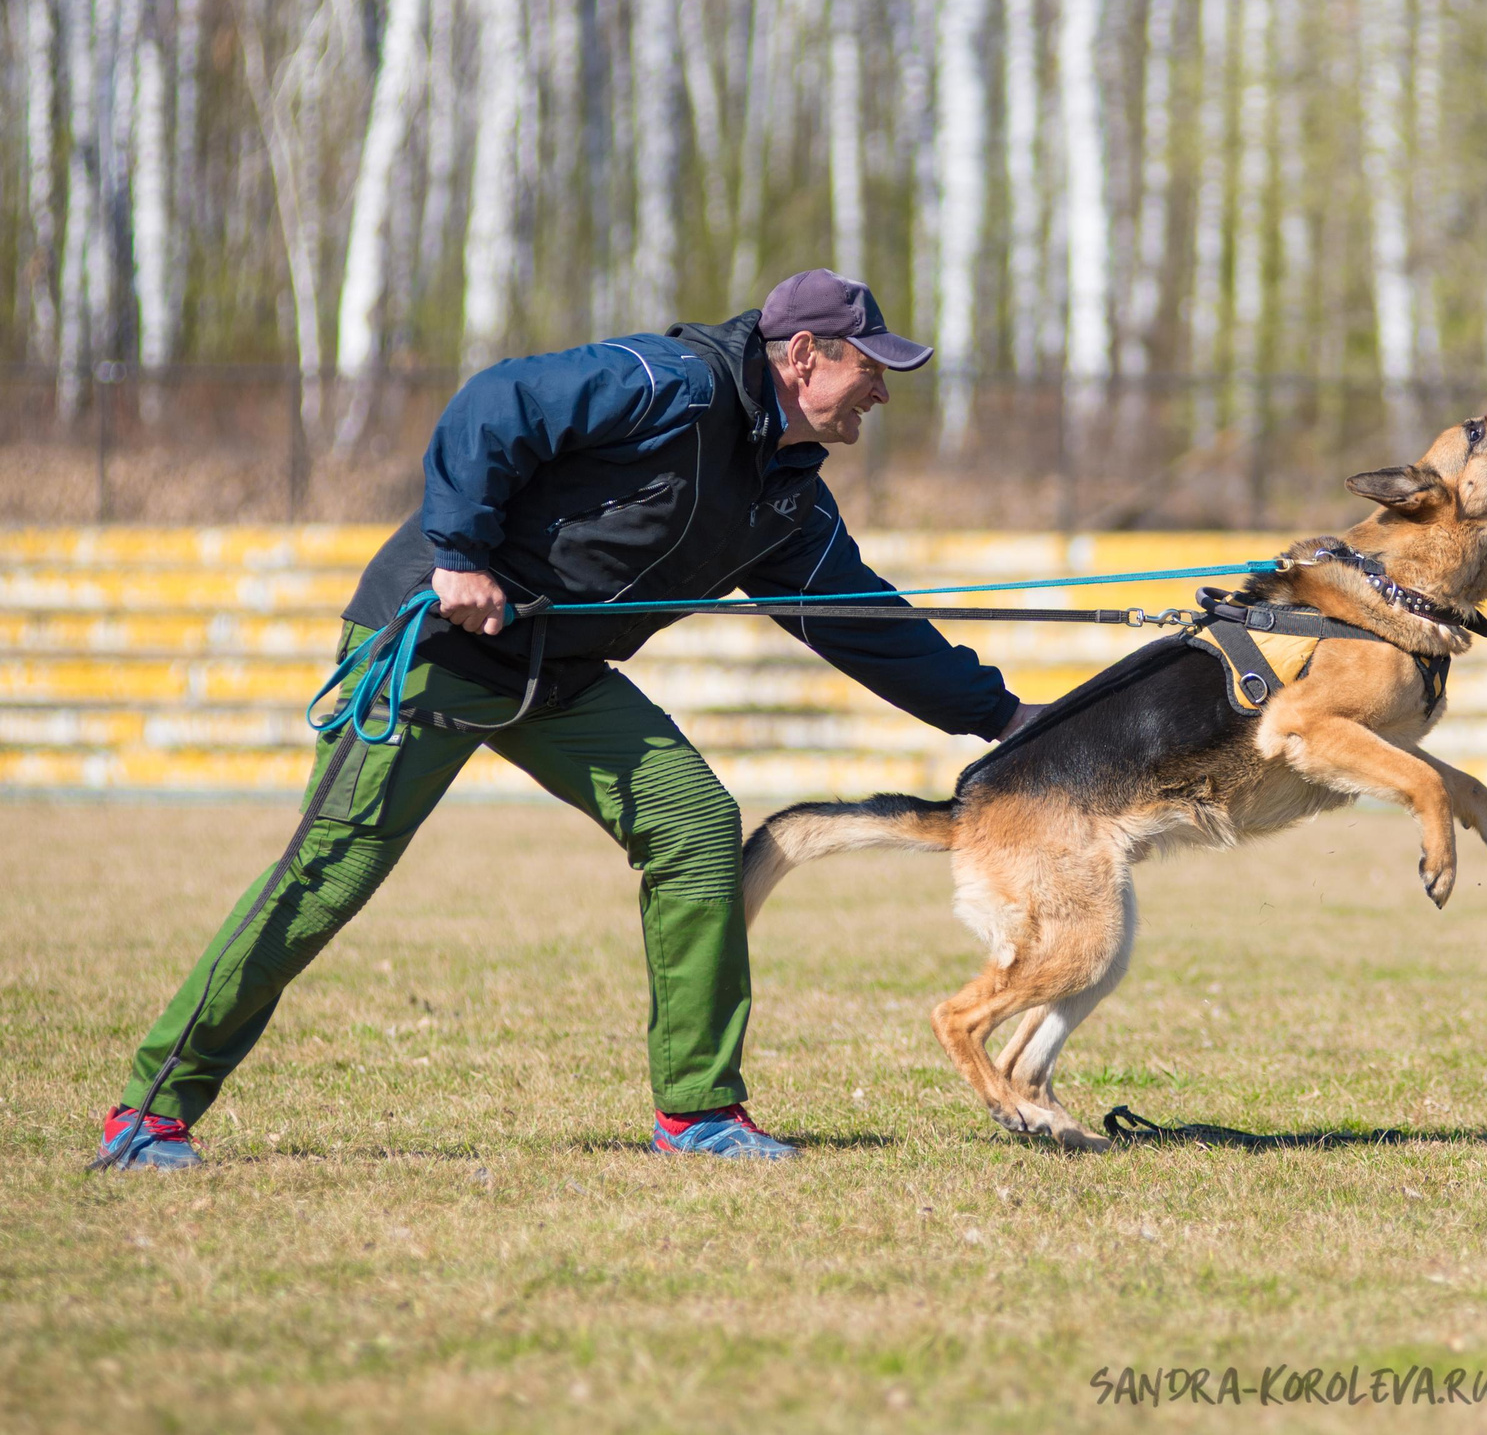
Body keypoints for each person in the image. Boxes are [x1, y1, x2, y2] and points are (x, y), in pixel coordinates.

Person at [101, 271, 1038, 1167]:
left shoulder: (788, 496)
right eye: (869, 368)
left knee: (694, 823)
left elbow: (866, 624)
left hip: (556, 671)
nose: (880, 391)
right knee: (329, 871)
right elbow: (496, 403)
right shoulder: (669, 383)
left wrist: (1004, 717)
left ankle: (700, 1111)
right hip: (435, 641)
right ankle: (149, 1113)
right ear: (803, 356)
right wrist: (460, 552)